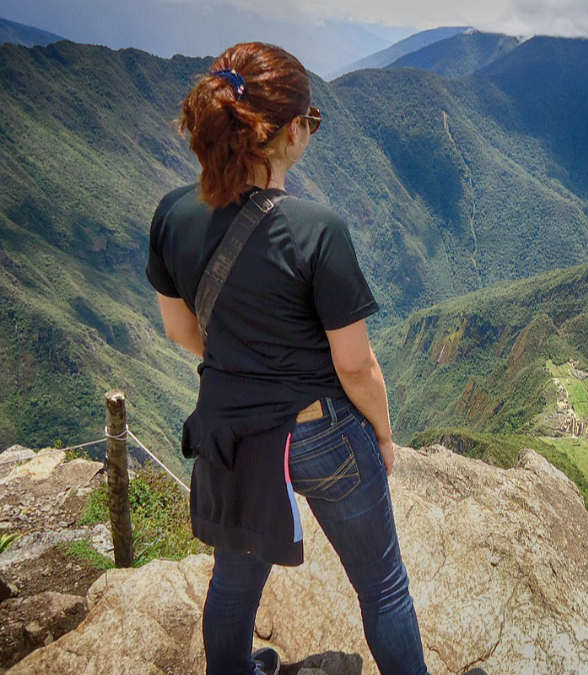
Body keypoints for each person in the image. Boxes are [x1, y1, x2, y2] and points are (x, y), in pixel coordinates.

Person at [145, 42, 428, 675]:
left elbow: (179, 329)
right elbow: (355, 365)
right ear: (289, 131)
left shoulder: (171, 215)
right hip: (319, 431)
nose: (311, 132)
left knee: (234, 581)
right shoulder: (314, 228)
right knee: (382, 585)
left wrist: (247, 365)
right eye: (311, 120)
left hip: (234, 434)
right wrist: (382, 434)